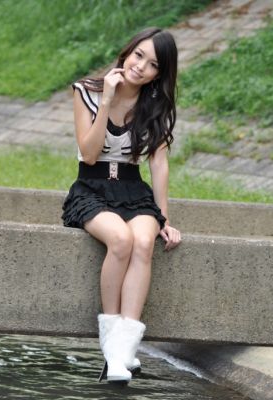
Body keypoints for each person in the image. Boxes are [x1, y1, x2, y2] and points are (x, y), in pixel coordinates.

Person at [61, 27, 181, 384]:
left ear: (158, 74)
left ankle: (123, 351)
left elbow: (158, 164)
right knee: (121, 240)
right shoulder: (86, 91)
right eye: (138, 55)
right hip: (91, 188)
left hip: (133, 191)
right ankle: (114, 349)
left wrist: (163, 218)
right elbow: (89, 153)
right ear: (127, 53)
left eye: (152, 64)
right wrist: (108, 101)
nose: (141, 66)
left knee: (143, 241)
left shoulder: (155, 105)